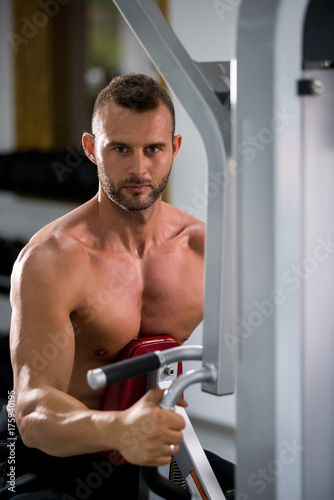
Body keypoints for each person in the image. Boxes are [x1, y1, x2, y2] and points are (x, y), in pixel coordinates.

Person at [0, 73, 234, 499]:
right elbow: (32, 409)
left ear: (174, 149)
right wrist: (119, 429)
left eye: (154, 149)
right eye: (120, 149)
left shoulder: (206, 251)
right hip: (50, 450)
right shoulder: (52, 259)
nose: (139, 169)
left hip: (145, 442)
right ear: (92, 149)